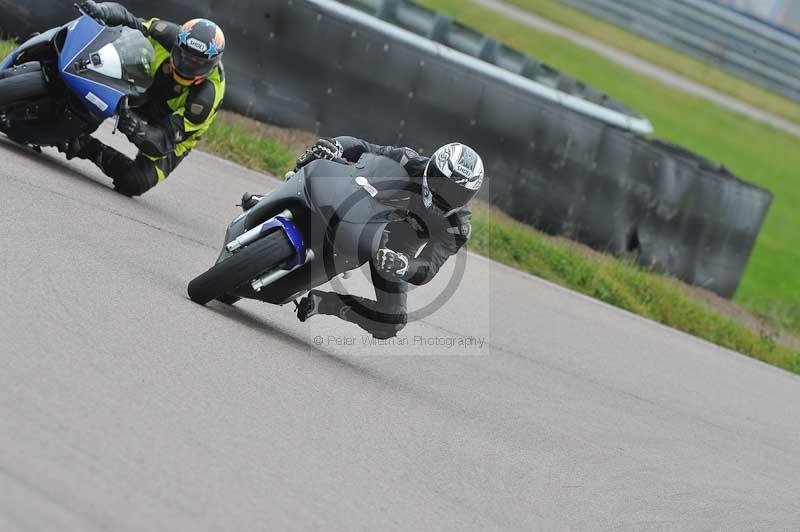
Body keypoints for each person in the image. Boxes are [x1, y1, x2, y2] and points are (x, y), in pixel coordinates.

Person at [242, 137, 485, 339]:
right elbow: (365, 148)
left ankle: (325, 304)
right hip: (369, 206)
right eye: (441, 183)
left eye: (458, 193)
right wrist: (336, 146)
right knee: (318, 157)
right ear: (431, 169)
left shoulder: (458, 227)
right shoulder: (408, 160)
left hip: (395, 248)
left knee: (392, 321)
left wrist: (404, 265)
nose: (446, 195)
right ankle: (269, 198)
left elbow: (429, 266)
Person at [59, 1, 226, 197]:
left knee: (134, 182)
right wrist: (102, 10)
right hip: (142, 87)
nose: (186, 65)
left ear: (212, 64)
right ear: (177, 45)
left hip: (168, 126)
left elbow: (163, 143)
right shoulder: (167, 34)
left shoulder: (205, 98)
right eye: (183, 55)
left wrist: (136, 129)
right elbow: (130, 21)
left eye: (197, 63)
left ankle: (85, 146)